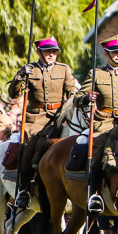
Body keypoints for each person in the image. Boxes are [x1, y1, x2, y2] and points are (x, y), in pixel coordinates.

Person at [73, 35, 118, 213]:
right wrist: (87, 97)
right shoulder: (96, 74)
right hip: (103, 123)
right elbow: (77, 99)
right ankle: (95, 195)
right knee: (96, 153)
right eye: (115, 52)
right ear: (106, 53)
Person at [8, 36, 79, 209]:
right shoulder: (30, 70)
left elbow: (71, 92)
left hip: (60, 116)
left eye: (54, 52)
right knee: (28, 148)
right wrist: (19, 78)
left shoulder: (64, 70)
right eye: (48, 51)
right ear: (39, 52)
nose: (51, 54)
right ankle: (23, 190)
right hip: (36, 118)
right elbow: (13, 94)